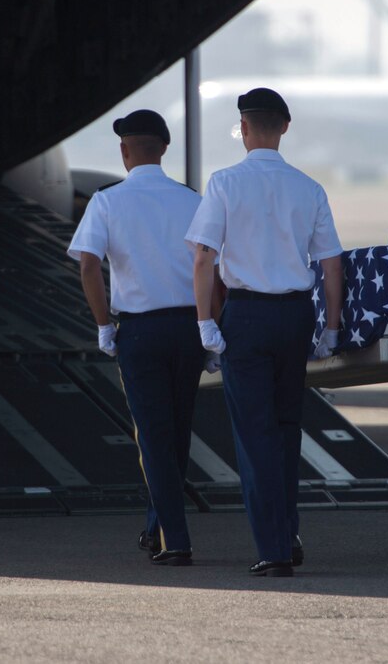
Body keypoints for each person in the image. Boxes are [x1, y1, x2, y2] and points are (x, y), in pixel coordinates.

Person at [186, 87, 344, 577]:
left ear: (244, 127)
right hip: (296, 315)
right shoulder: (308, 187)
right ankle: (288, 533)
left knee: (254, 436)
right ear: (285, 128)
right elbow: (331, 262)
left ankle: (273, 549)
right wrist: (331, 328)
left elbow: (203, 256)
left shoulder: (225, 182)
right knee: (285, 430)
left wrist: (204, 321)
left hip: (248, 316)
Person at [67, 109, 217, 567]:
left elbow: (89, 264)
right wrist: (210, 326)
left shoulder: (107, 200)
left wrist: (102, 325)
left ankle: (176, 539)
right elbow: (216, 268)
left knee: (151, 436)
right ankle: (157, 528)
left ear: (124, 150)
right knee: (175, 432)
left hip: (141, 330)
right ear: (164, 149)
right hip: (189, 327)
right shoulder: (192, 199)